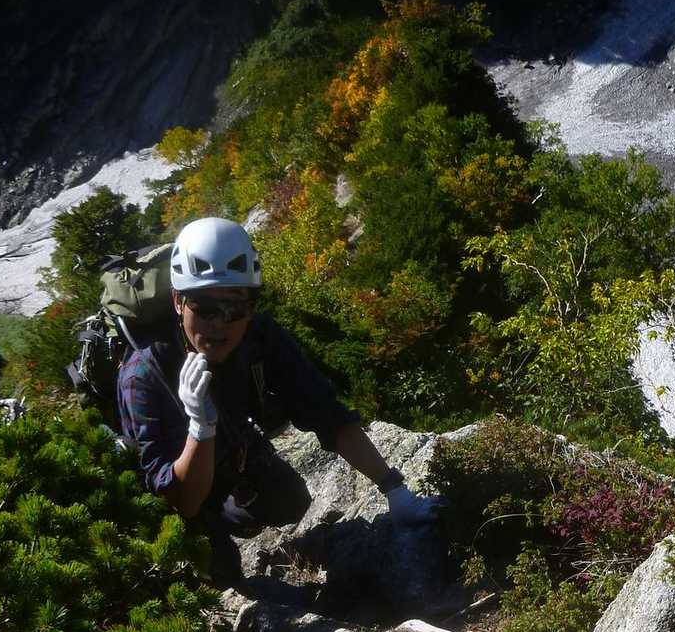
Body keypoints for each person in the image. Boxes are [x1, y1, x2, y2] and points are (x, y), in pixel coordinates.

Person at [116, 217, 436, 551]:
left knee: (289, 500)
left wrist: (394, 489)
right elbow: (181, 501)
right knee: (218, 564)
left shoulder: (259, 338)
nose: (220, 323)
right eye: (205, 307)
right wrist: (200, 426)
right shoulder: (145, 375)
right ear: (178, 302)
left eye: (235, 308)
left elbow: (326, 413)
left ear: (251, 307)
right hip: (174, 492)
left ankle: (230, 514)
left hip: (230, 450)